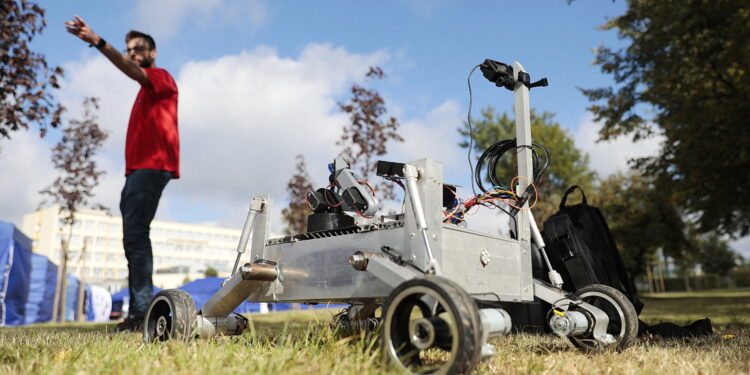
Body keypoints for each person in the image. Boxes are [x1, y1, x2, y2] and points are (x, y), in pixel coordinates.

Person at [65, 16, 179, 332]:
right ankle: (140, 310)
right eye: (128, 48)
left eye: (138, 48)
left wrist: (98, 41)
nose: (131, 52)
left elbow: (134, 71)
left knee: (136, 236)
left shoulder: (160, 77)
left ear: (152, 53)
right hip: (138, 170)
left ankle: (143, 313)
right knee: (133, 237)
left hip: (152, 166)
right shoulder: (145, 89)